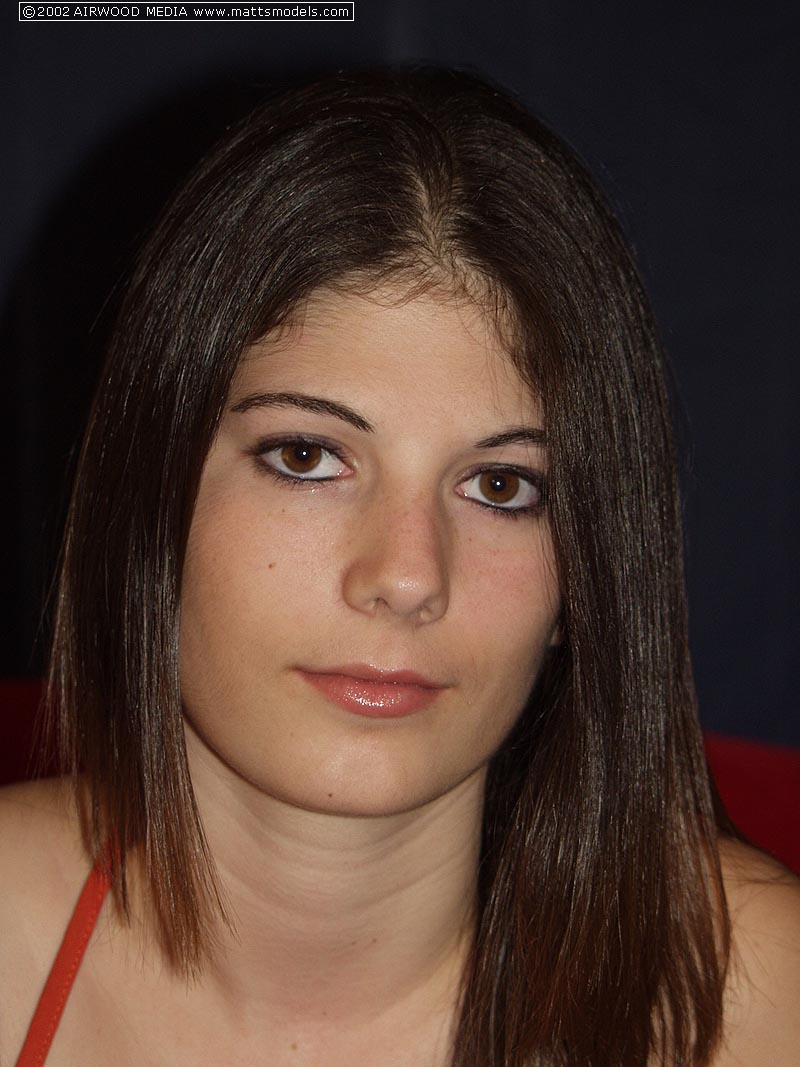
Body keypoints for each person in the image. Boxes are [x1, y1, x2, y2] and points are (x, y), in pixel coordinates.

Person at [1, 66, 798, 1067]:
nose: (408, 574)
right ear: (149, 500)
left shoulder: (751, 999)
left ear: (583, 576)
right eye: (306, 456)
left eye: (501, 486)